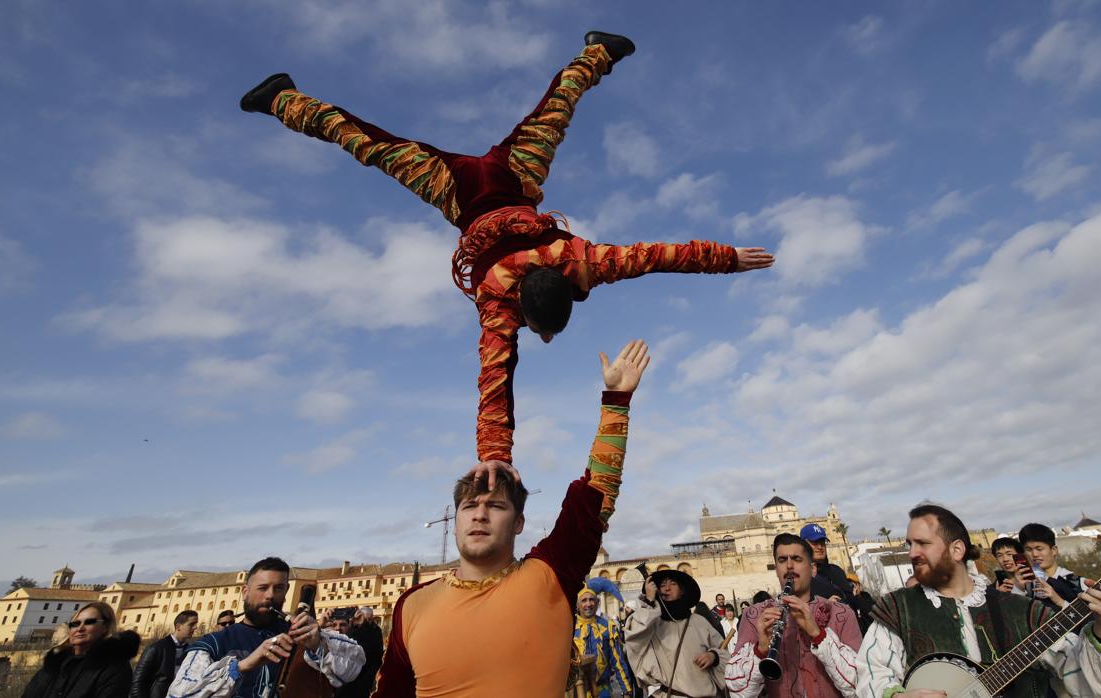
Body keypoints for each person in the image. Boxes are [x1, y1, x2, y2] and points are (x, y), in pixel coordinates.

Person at [240, 33, 774, 470]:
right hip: (456, 191)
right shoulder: (499, 301)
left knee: (554, 110)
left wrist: (728, 257)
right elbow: (492, 385)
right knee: (369, 143)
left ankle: (600, 51)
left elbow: (659, 255)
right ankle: (280, 99)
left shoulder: (582, 261)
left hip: (513, 178)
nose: (539, 336)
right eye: (543, 330)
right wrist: (494, 459)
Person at [373, 340, 650, 697]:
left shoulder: (550, 575)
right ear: (456, 518)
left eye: (496, 506)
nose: (480, 514)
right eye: (469, 507)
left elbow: (596, 494)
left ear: (518, 522)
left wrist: (616, 401)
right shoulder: (411, 604)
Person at [855, 504, 1101, 698]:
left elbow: (1096, 685)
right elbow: (873, 673)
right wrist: (897, 696)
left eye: (922, 543)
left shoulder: (1020, 609)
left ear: (957, 550)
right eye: (909, 544)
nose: (912, 553)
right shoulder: (898, 608)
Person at [170, 557, 365, 698]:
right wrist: (243, 665)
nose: (270, 595)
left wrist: (318, 645)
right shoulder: (214, 643)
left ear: (287, 591)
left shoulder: (300, 633)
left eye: (278, 588)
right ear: (245, 592)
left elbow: (355, 665)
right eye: (262, 588)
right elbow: (180, 695)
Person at [727, 533, 861, 697]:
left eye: (797, 559)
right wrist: (761, 650)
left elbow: (861, 682)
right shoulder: (753, 615)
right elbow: (736, 691)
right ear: (776, 569)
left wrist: (818, 635)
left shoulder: (841, 613)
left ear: (813, 569)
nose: (789, 565)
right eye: (782, 560)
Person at [624, 569, 728, 697]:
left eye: (672, 584)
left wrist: (713, 656)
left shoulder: (699, 622)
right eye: (662, 585)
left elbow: (724, 653)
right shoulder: (651, 625)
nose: (667, 588)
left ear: (682, 590)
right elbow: (635, 639)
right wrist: (649, 601)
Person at [22, 601, 140, 698]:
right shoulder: (54, 664)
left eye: (89, 622)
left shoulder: (114, 668)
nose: (80, 628)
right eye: (75, 623)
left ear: (105, 627)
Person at [571, 584, 633, 698]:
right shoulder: (569, 628)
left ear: (597, 603)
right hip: (576, 691)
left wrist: (627, 692)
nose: (588, 604)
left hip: (602, 691)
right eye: (584, 600)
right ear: (578, 605)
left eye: (592, 600)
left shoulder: (608, 627)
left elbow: (618, 662)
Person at [1016, 522, 1088, 607]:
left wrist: (1059, 601)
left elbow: (1091, 618)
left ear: (1054, 550)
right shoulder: (1024, 586)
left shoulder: (1079, 583)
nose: (1034, 554)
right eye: (1028, 550)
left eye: (1039, 549)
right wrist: (1020, 590)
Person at [130, 610, 197, 698]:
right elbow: (138, 681)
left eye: (196, 624)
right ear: (178, 626)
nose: (195, 627)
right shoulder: (156, 648)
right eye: (191, 624)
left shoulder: (190, 651)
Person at [336, 608, 383, 698]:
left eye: (369, 620)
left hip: (363, 680)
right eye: (365, 619)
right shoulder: (353, 628)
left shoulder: (375, 631)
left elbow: (363, 649)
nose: (367, 622)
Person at [800, 524, 854, 603]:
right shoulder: (798, 577)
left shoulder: (837, 571)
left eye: (822, 542)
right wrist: (824, 606)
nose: (820, 547)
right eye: (814, 542)